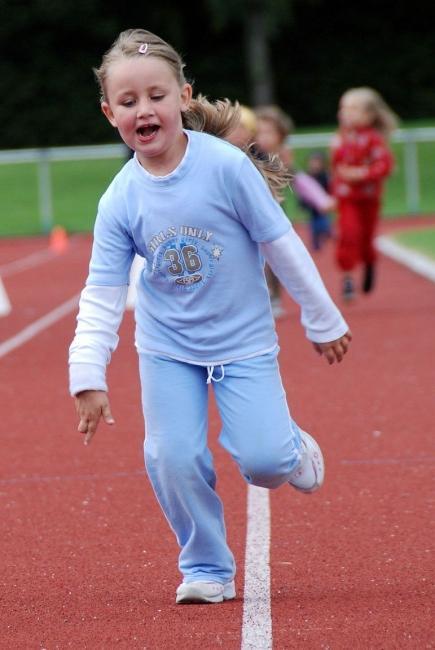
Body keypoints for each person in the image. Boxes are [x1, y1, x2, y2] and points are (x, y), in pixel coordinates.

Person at [69, 28, 352, 606]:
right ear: (109, 114)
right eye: (128, 102)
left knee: (265, 461)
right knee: (171, 456)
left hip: (243, 341)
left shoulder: (225, 168)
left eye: (156, 95)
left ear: (183, 97)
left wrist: (320, 319)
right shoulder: (119, 199)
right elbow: (100, 293)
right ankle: (206, 565)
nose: (144, 110)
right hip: (168, 347)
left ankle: (291, 446)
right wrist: (87, 374)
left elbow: (282, 246)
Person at [254, 105, 336, 317]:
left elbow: (300, 181)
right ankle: (258, 297)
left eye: (268, 132)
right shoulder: (247, 153)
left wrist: (321, 199)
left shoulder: (281, 157)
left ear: (281, 136)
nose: (262, 136)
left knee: (276, 259)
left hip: (272, 215)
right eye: (259, 130)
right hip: (247, 214)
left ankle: (275, 297)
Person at [330, 87, 398, 301]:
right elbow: (337, 166)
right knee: (349, 233)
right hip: (347, 198)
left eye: (353, 108)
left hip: (368, 199)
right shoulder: (341, 138)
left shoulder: (374, 139)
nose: (346, 113)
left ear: (369, 115)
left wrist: (363, 174)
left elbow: (385, 165)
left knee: (366, 237)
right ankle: (348, 277)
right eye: (344, 108)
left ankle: (369, 261)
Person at [299, 151, 333, 252]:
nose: (314, 164)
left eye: (317, 162)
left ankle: (327, 231)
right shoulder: (307, 177)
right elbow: (304, 192)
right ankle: (315, 242)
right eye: (312, 162)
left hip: (323, 206)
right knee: (313, 225)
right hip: (312, 207)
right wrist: (302, 204)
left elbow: (329, 188)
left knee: (323, 222)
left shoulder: (325, 176)